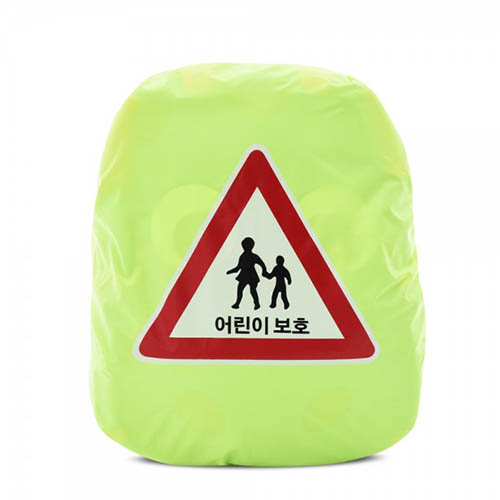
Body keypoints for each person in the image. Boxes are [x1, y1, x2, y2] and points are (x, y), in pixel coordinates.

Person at [226, 237, 267, 310]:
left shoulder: (252, 256)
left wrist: (264, 271)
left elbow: (262, 264)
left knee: (252, 290)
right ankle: (237, 303)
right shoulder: (243, 256)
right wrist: (230, 271)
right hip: (244, 276)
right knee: (240, 289)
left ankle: (256, 304)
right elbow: (238, 268)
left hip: (251, 276)